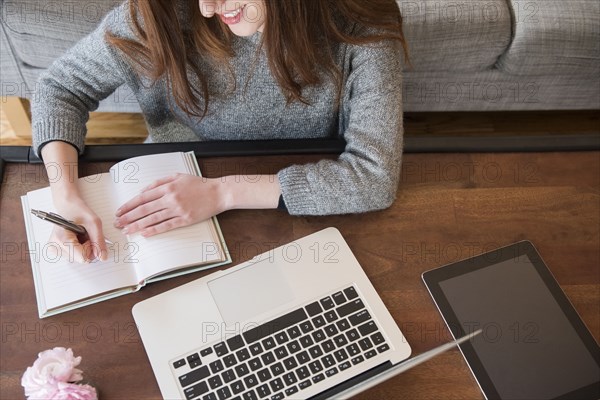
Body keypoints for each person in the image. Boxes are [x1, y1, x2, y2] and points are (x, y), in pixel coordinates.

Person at [32, 0, 409, 263]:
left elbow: (373, 177)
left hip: (297, 197)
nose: (208, 8)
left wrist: (222, 191)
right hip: (167, 182)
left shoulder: (362, 24)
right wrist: (64, 195)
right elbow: (60, 89)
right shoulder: (161, 12)